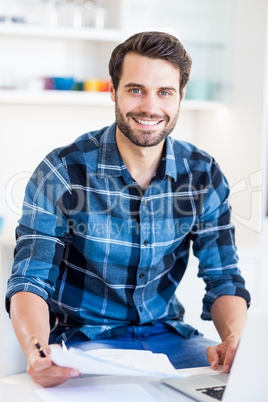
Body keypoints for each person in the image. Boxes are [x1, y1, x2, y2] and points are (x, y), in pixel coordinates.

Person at [6, 31, 250, 388]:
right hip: (85, 343)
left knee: (243, 388)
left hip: (171, 341)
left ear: (181, 96)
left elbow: (224, 277)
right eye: (135, 89)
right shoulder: (62, 171)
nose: (150, 107)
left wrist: (233, 341)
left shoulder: (203, 174)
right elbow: (30, 280)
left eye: (164, 92)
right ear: (113, 91)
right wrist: (37, 350)